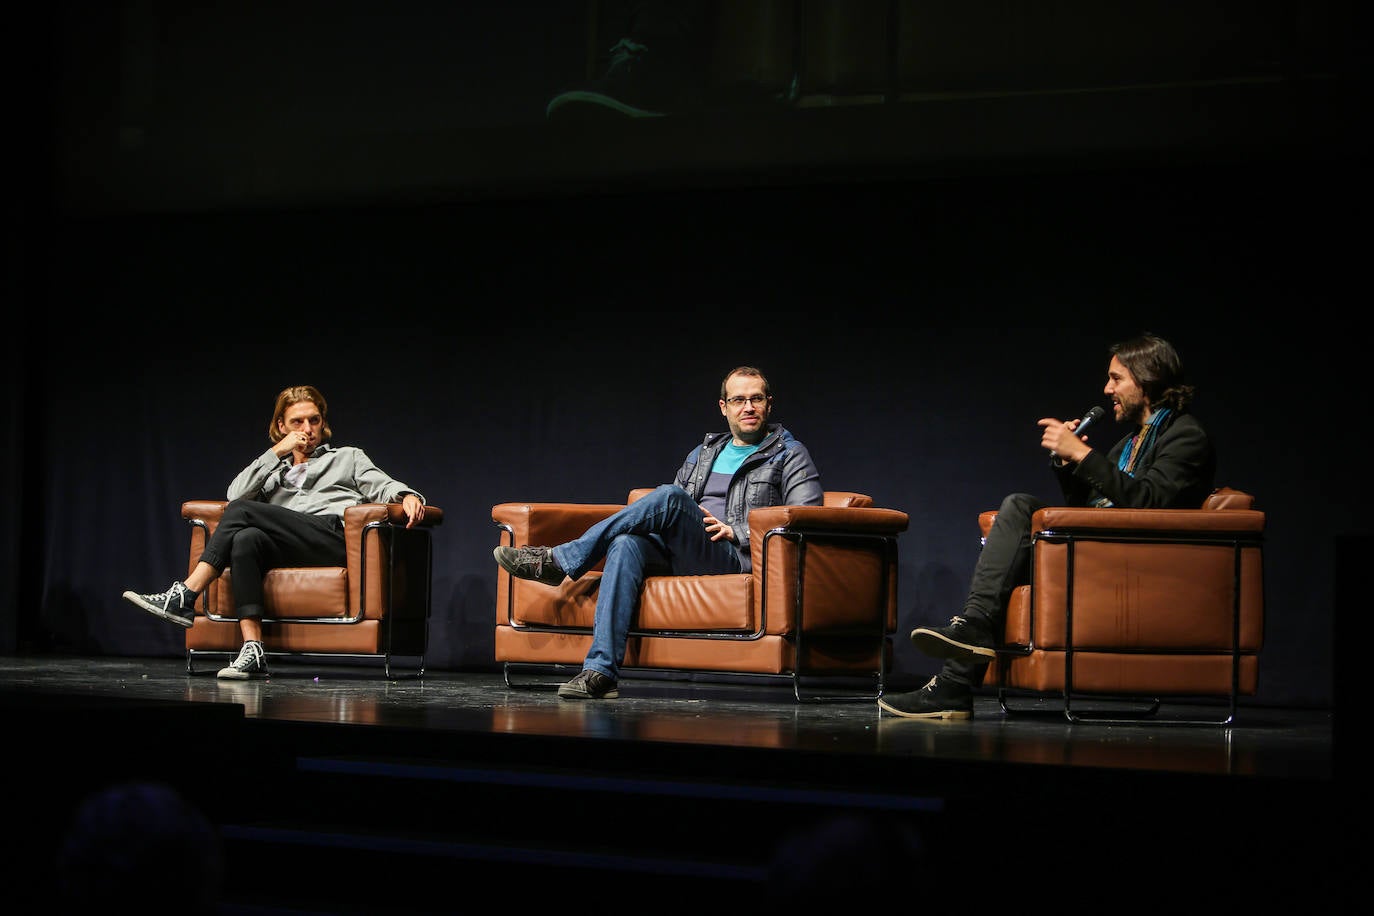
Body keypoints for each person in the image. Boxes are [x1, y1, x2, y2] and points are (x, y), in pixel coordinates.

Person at [879, 332, 1216, 719]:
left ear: (1148, 379)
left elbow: (1149, 504)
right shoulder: (1129, 444)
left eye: (1116, 379)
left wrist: (1085, 454)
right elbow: (1090, 508)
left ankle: (961, 662)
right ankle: (958, 674)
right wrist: (1070, 464)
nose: (1107, 389)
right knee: (1013, 535)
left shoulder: (1186, 436)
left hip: (1137, 568)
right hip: (1103, 552)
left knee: (1020, 508)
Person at [493, 365, 822, 700]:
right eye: (739, 400)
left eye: (756, 399)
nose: (748, 407)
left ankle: (560, 561)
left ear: (769, 404)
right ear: (724, 407)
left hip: (735, 558)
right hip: (688, 551)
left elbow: (803, 521)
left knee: (669, 496)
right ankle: (601, 672)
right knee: (625, 543)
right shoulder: (704, 454)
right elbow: (673, 516)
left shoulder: (789, 455)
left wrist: (736, 530)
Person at [122, 385, 427, 680]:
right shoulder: (273, 474)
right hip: (292, 546)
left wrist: (407, 496)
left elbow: (383, 484)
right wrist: (277, 452)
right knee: (245, 539)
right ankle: (253, 649)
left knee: (241, 511)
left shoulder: (347, 458)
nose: (307, 428)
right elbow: (235, 493)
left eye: (314, 420)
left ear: (323, 423)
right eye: (297, 422)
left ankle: (185, 594)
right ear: (282, 426)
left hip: (333, 539)